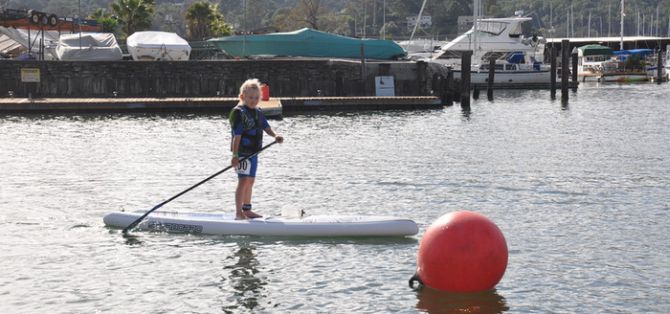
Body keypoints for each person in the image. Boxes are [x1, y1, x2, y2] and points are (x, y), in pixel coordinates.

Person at [229, 79, 284, 220]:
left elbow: (266, 127)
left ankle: (247, 210)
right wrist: (235, 155)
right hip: (241, 153)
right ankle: (238, 213)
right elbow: (237, 136)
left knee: (251, 181)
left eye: (256, 98)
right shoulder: (239, 113)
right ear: (242, 97)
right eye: (250, 98)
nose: (253, 101)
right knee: (243, 181)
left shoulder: (258, 112)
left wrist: (275, 135)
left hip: (253, 153)